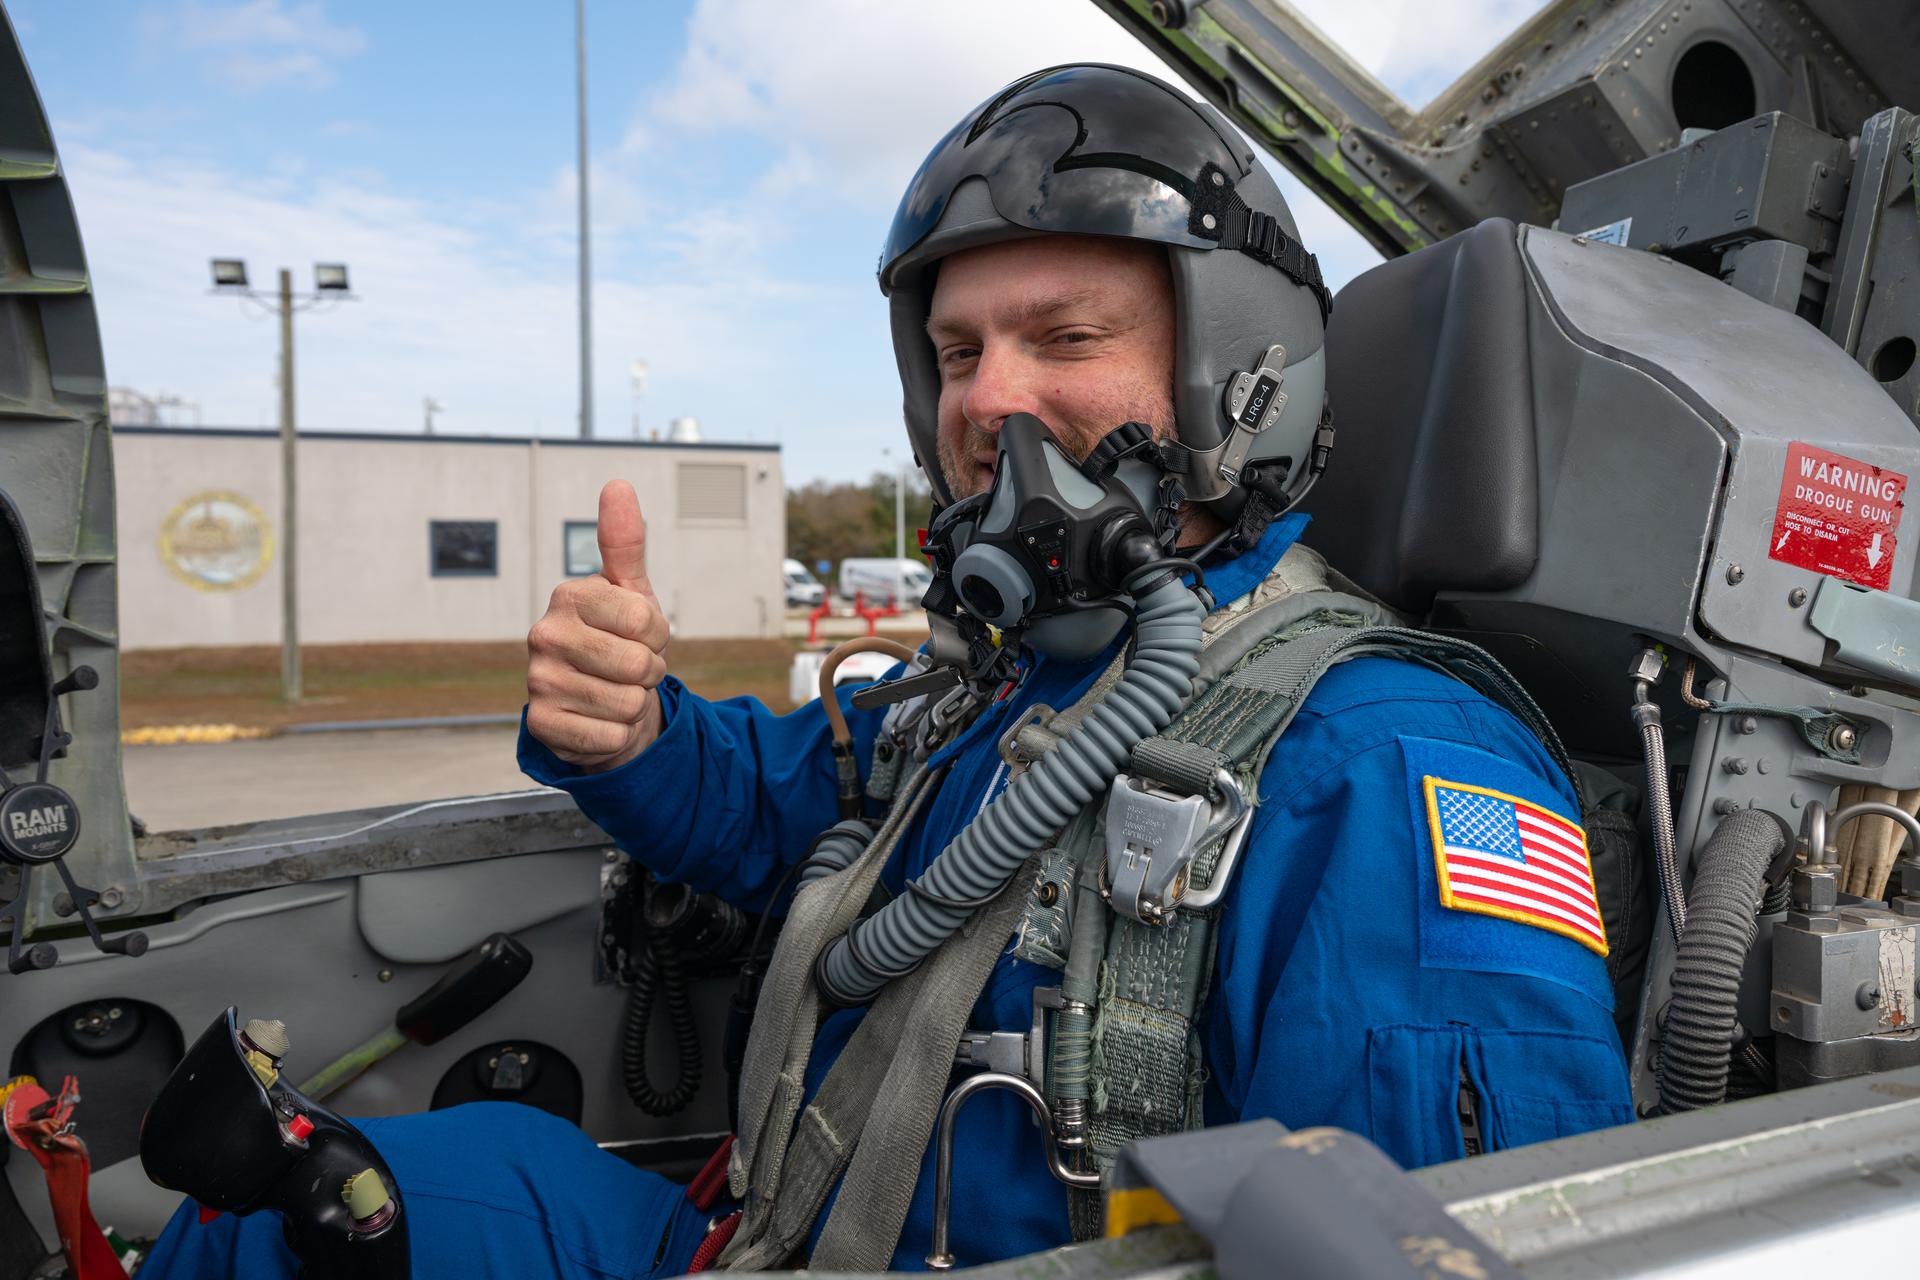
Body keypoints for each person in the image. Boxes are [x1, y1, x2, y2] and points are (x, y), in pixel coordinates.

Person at [140, 64, 1631, 1279]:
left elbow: (1444, 1248)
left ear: (1241, 377)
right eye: (960, 350)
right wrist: (628, 727)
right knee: (278, 1221)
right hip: (761, 1239)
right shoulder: (990, 684)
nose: (991, 400)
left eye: (1064, 336)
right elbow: (771, 799)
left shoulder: (1381, 764)